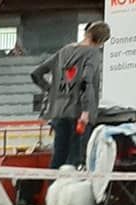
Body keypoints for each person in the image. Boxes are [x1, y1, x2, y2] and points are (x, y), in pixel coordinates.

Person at [31, 21, 111, 169]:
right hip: (79, 114)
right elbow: (86, 81)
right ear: (101, 41)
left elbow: (36, 74)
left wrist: (51, 90)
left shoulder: (64, 51)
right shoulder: (92, 53)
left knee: (58, 159)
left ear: (87, 33)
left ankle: (53, 184)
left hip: (59, 113)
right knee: (74, 161)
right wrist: (86, 111)